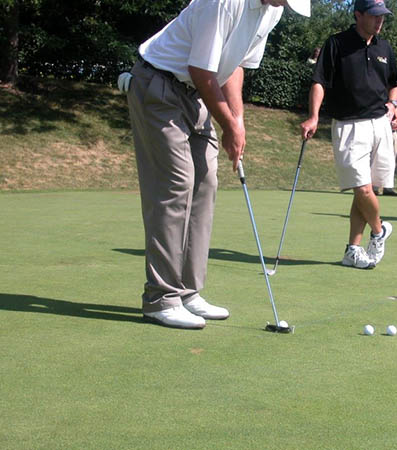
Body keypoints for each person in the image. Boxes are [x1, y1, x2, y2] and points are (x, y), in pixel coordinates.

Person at [124, 0, 310, 329]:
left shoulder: (273, 10)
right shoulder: (224, 1)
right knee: (175, 186)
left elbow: (235, 67)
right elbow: (201, 69)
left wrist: (236, 120)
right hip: (159, 85)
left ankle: (187, 292)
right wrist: (229, 124)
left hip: (196, 94)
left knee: (205, 183)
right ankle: (160, 298)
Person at [300, 0, 397, 269]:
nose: (380, 21)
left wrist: (394, 105)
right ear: (358, 15)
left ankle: (352, 250)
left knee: (366, 188)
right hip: (349, 125)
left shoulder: (384, 47)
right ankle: (379, 232)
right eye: (374, 16)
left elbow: (395, 82)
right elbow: (319, 81)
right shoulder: (337, 44)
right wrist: (314, 116)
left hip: (380, 124)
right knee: (362, 188)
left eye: (383, 16)